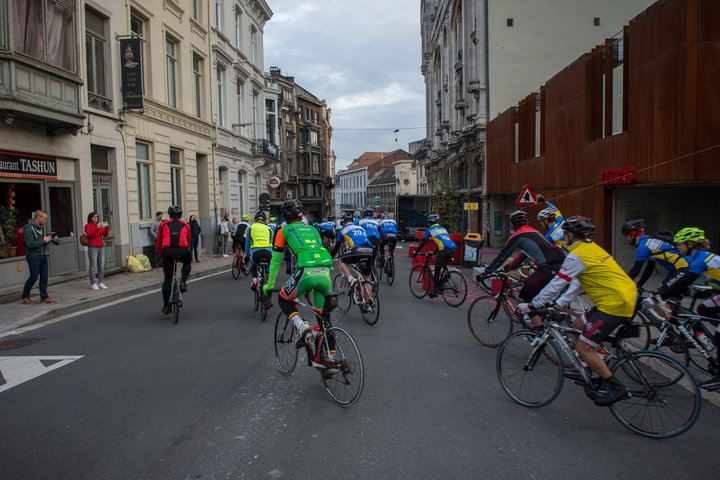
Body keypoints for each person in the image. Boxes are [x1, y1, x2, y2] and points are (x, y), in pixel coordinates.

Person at [520, 216, 637, 406]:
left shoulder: (577, 255)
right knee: (577, 324)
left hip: (614, 304)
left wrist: (535, 305)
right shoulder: (592, 249)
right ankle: (593, 362)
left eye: (566, 234)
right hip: (620, 297)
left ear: (571, 235)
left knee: (583, 347)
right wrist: (558, 305)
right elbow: (577, 284)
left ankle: (616, 387)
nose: (564, 237)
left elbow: (558, 284)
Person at [263, 199, 334, 355]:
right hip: (325, 272)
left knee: (283, 298)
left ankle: (301, 326)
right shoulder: (313, 230)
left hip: (306, 271)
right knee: (324, 320)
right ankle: (332, 359)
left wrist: (269, 284)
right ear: (301, 214)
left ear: (284, 217)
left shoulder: (284, 231)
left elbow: (275, 262)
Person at [480, 210, 565, 302]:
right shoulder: (535, 232)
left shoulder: (517, 236)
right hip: (560, 264)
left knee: (526, 293)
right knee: (539, 295)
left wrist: (485, 273)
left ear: (512, 225)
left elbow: (502, 257)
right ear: (527, 222)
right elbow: (523, 256)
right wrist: (509, 267)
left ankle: (535, 315)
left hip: (548, 268)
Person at [621, 219, 689, 288]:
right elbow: (649, 269)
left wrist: (621, 285)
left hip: (682, 267)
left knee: (660, 293)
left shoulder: (643, 246)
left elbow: (635, 270)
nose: (626, 239)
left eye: (626, 236)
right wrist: (639, 285)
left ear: (632, 234)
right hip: (679, 269)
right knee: (665, 292)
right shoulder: (648, 241)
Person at [330, 213, 375, 303]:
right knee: (366, 278)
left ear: (343, 223)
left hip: (357, 250)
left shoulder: (342, 230)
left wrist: (330, 257)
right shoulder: (361, 228)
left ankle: (351, 279)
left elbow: (337, 247)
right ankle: (369, 301)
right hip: (369, 251)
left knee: (341, 260)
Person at [156, 205, 192, 314]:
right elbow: (188, 240)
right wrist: (186, 250)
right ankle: (182, 282)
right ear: (180, 215)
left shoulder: (163, 225)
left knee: (167, 279)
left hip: (168, 251)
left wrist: (162, 254)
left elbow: (158, 242)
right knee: (187, 263)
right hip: (182, 250)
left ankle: (166, 306)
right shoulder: (186, 225)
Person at [414, 214, 457, 298]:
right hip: (452, 248)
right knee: (443, 265)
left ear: (430, 222)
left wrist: (416, 251)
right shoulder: (443, 229)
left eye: (428, 223)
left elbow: (423, 243)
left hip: (444, 250)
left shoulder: (430, 230)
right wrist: (434, 253)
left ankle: (435, 291)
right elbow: (442, 242)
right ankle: (447, 275)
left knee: (437, 270)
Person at [20, 210, 56, 304]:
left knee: (44, 276)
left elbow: (41, 241)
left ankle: (44, 297)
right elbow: (30, 244)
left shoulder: (41, 227)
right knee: (34, 276)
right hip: (33, 256)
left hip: (42, 254)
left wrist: (46, 243)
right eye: (44, 218)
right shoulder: (29, 229)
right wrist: (43, 241)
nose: (46, 220)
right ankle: (25, 295)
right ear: (38, 218)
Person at [244, 212, 273, 293]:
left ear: (255, 220)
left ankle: (254, 280)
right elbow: (272, 244)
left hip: (256, 253)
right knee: (268, 268)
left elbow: (247, 244)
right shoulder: (269, 229)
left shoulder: (251, 227)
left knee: (252, 264)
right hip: (267, 252)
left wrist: (246, 256)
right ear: (264, 220)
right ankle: (269, 288)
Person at [84, 212, 109, 290]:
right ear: (90, 218)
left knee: (101, 265)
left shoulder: (99, 225)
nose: (96, 218)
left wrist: (107, 228)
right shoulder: (88, 226)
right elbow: (90, 235)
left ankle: (101, 282)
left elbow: (105, 235)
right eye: (94, 217)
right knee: (93, 266)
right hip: (93, 247)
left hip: (101, 246)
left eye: (97, 217)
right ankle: (93, 283)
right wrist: (97, 228)